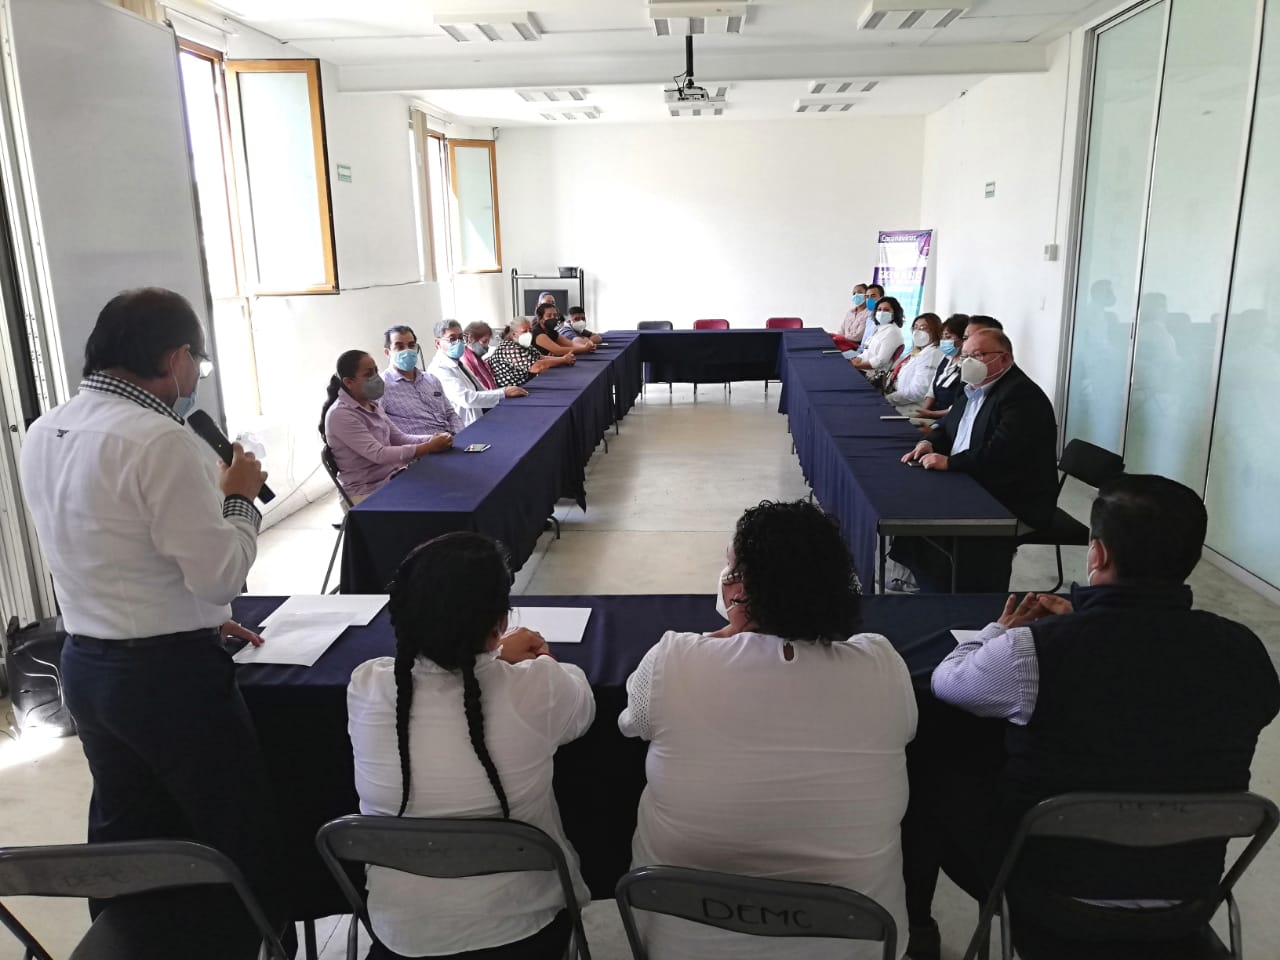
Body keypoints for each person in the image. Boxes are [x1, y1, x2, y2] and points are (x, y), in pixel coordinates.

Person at [921, 475, 1280, 939]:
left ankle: (920, 928)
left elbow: (947, 683)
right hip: (1188, 895)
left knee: (931, 763)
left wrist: (1001, 631)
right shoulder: (1245, 652)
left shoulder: (1032, 650)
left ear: (1098, 554)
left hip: (1047, 894)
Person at [19, 287, 281, 911]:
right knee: (232, 827)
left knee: (128, 827)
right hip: (168, 679)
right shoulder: (162, 440)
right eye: (199, 363)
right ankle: (254, 936)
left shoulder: (44, 429)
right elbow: (220, 577)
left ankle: (130, 935)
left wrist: (202, 620)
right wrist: (240, 498)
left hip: (85, 664)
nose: (196, 377)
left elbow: (109, 550)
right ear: (177, 358)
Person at [620, 500, 916, 960]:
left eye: (731, 568)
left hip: (681, 939)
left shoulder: (672, 662)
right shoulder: (882, 667)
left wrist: (713, 643)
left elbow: (631, 722)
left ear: (740, 589)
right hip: (854, 943)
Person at [348, 532, 594, 960]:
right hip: (523, 930)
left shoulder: (367, 686)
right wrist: (529, 658)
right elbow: (581, 710)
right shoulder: (540, 687)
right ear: (499, 624)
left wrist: (492, 653)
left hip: (400, 935)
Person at [895, 327, 1058, 592]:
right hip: (970, 476)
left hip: (1011, 495)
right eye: (966, 355)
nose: (969, 362)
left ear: (1004, 359)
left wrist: (950, 463)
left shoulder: (1021, 396)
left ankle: (957, 593)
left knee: (936, 513)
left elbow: (1001, 453)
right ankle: (925, 580)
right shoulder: (970, 388)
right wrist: (928, 443)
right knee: (912, 498)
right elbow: (948, 427)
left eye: (978, 355)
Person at [322, 349, 451, 503]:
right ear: (348, 382)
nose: (376, 377)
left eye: (376, 371)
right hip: (367, 493)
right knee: (438, 498)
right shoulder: (340, 415)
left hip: (392, 477)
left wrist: (434, 438)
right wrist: (427, 447)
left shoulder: (372, 403)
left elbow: (400, 438)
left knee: (446, 481)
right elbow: (379, 454)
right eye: (368, 374)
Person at [427, 319, 527, 426]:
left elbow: (480, 390)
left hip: (479, 417)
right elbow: (466, 398)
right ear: (438, 343)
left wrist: (504, 392)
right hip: (461, 425)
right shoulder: (439, 369)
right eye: (452, 339)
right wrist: (503, 393)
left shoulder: (458, 363)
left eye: (460, 338)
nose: (458, 342)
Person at [381, 324, 463, 438]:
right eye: (399, 347)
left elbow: (450, 413)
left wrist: (459, 435)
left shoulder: (431, 379)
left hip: (452, 439)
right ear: (387, 353)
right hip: (422, 446)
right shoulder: (382, 387)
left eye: (411, 345)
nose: (407, 350)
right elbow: (381, 429)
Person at [487, 318, 576, 387]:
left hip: (525, 385)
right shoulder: (508, 349)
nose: (528, 333)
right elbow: (537, 367)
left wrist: (563, 358)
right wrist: (563, 360)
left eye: (530, 330)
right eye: (524, 331)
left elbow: (541, 357)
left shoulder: (523, 344)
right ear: (514, 334)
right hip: (513, 390)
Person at [912, 314, 968, 423]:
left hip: (947, 419)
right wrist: (925, 411)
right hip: (930, 412)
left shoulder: (967, 366)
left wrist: (931, 414)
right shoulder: (946, 358)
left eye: (948, 337)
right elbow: (932, 390)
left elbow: (961, 405)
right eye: (943, 337)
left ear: (963, 339)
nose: (944, 340)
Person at [886, 312, 944, 410]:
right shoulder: (919, 350)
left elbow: (918, 391)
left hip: (911, 407)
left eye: (923, 328)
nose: (917, 332)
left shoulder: (932, 354)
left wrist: (888, 399)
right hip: (899, 398)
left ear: (935, 331)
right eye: (915, 327)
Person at [851, 295, 907, 375]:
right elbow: (867, 351)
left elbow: (880, 361)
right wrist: (857, 360)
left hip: (871, 374)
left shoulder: (892, 332)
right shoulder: (879, 328)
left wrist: (857, 365)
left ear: (895, 313)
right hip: (863, 367)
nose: (881, 312)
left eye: (886, 310)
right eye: (879, 309)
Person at [530, 303, 595, 357]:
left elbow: (571, 344)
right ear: (541, 319)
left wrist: (587, 347)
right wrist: (584, 349)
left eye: (555, 315)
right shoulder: (537, 332)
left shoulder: (551, 331)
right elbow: (558, 350)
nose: (553, 318)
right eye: (549, 316)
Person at [461, 321, 501, 390]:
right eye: (484, 341)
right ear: (471, 338)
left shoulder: (478, 359)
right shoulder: (465, 361)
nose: (487, 346)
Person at [834, 282, 871, 351]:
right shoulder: (850, 312)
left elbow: (858, 337)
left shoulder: (869, 314)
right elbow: (842, 330)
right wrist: (837, 338)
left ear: (866, 295)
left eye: (859, 292)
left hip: (855, 346)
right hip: (843, 343)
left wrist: (842, 337)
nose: (856, 295)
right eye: (854, 293)